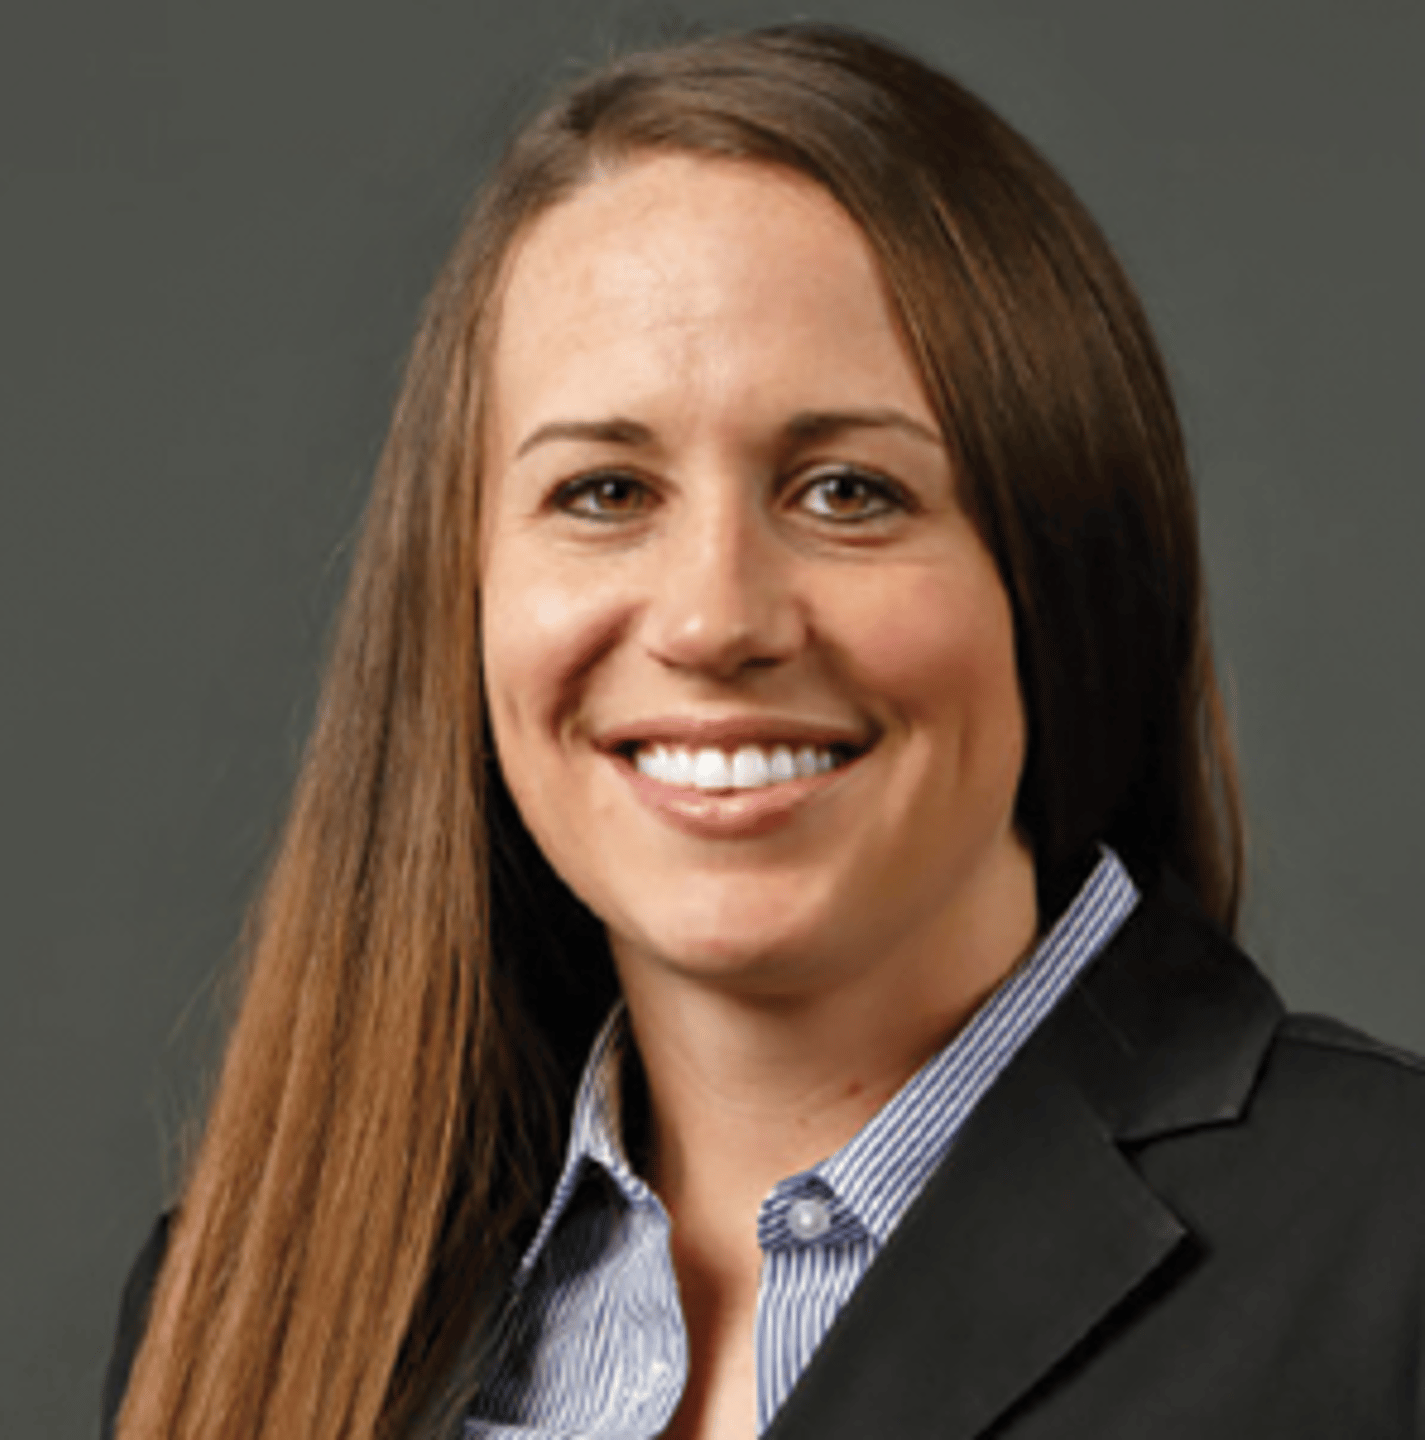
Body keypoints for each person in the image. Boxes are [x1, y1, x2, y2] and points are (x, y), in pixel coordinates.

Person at [104, 23, 1425, 1440]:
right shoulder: (241, 1310)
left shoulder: (1391, 1253)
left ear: (1066, 577)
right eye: (605, 493)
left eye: (848, 491)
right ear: (464, 594)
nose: (715, 619)